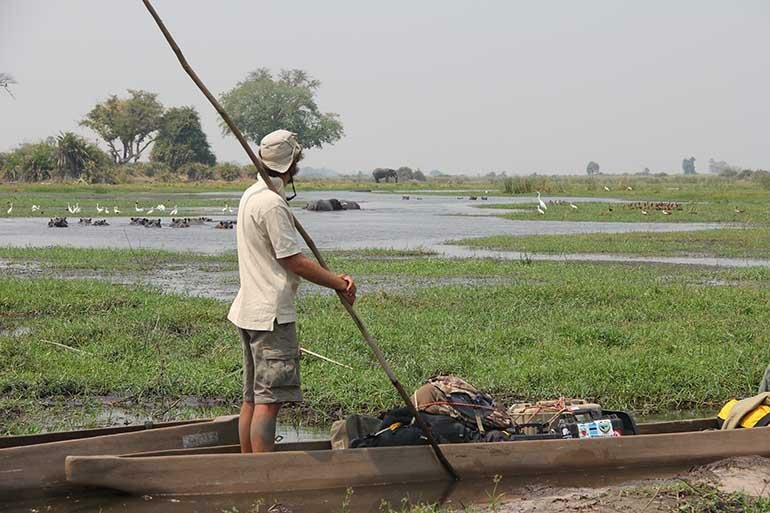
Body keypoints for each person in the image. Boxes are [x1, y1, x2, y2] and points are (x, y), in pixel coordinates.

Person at [228, 129, 357, 453]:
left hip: (249, 310)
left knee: (253, 398)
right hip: (270, 315)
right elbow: (294, 261)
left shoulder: (252, 195)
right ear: (291, 165)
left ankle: (249, 467)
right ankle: (264, 475)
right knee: (268, 402)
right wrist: (338, 282)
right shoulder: (271, 204)